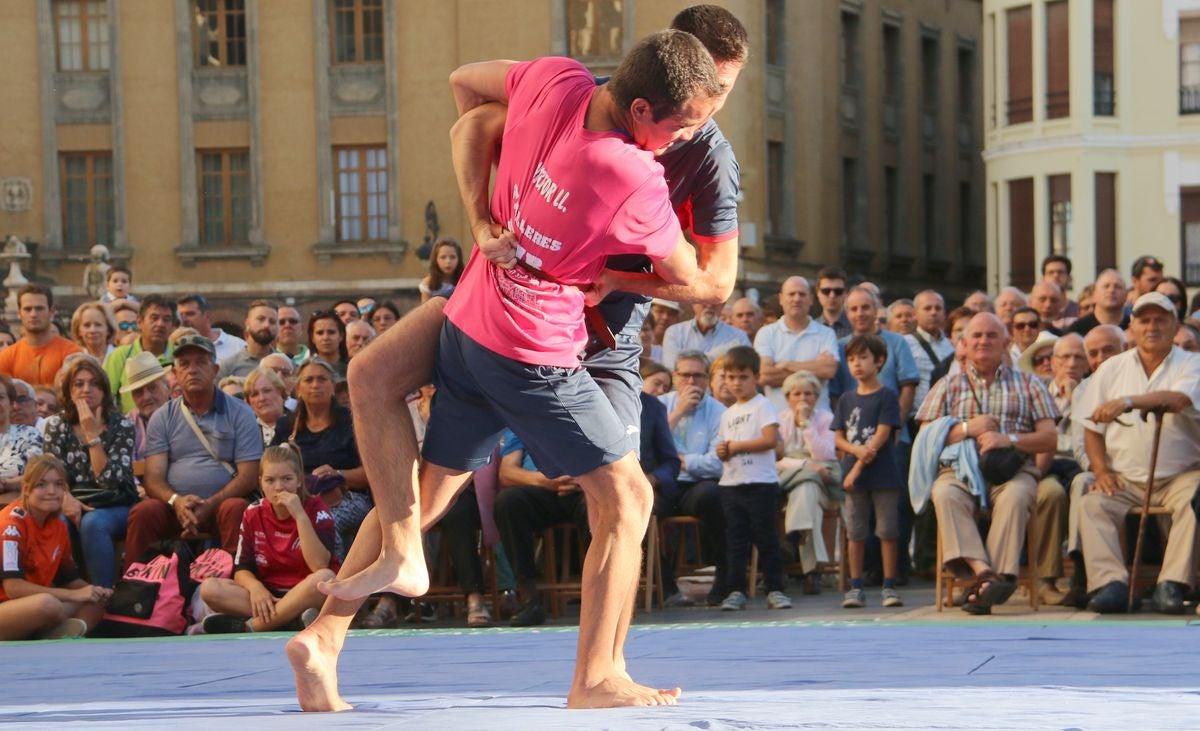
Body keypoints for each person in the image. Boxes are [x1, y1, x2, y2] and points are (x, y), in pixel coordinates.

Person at [291, 8, 748, 712]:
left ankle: (327, 636)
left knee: (430, 486)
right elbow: (701, 277)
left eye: (723, 92)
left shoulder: (573, 89)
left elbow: (469, 113)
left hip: (549, 321)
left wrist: (544, 239)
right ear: (663, 76)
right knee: (626, 496)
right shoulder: (630, 160)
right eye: (706, 93)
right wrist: (488, 218)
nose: (709, 112)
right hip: (536, 328)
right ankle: (596, 676)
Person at [912, 313, 1058, 615]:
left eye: (992, 335)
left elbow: (1049, 439)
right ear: (962, 344)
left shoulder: (1030, 383)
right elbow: (925, 437)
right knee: (945, 493)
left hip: (1011, 471)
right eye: (976, 336)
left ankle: (990, 581)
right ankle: (987, 576)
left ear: (1006, 342)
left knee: (1017, 496)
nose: (984, 341)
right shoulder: (947, 385)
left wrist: (1010, 440)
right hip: (959, 470)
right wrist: (968, 429)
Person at [1075, 292, 1200, 614]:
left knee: (1194, 498)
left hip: (1180, 475)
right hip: (1126, 479)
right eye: (1145, 320)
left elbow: (1178, 400)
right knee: (1092, 502)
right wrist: (1101, 470)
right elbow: (1091, 428)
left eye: (1161, 320)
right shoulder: (1111, 368)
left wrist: (1128, 402)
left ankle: (1172, 584)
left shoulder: (1192, 363)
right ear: (1132, 328)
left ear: (1175, 327)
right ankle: (1111, 583)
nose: (1152, 326)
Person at [122, 334, 262, 566]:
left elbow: (248, 476)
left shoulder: (241, 413)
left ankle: (233, 584)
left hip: (221, 507)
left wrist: (210, 505)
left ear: (215, 369)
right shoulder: (163, 417)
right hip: (175, 508)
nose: (192, 370)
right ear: (175, 374)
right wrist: (176, 501)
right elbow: (153, 478)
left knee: (237, 508)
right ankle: (135, 588)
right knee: (143, 512)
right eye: (184, 364)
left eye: (201, 362)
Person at [200, 443, 338, 633]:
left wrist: (299, 515)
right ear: (261, 483)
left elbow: (319, 565)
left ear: (299, 480)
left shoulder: (316, 508)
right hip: (268, 595)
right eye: (270, 480)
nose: (279, 487)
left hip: (306, 592)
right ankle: (290, 620)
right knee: (209, 588)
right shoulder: (253, 512)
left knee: (325, 579)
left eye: (287, 479)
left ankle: (252, 626)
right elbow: (242, 570)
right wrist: (256, 587)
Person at [41, 359, 136, 589]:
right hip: (70, 501)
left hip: (115, 504)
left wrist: (92, 436)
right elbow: (50, 475)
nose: (86, 390)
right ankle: (66, 594)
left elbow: (110, 482)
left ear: (104, 390)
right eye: (79, 384)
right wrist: (66, 499)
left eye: (94, 383)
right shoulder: (57, 425)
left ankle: (101, 595)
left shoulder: (121, 425)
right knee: (59, 520)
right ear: (69, 391)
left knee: (93, 522)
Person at [0, 455, 112, 640]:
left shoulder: (58, 526)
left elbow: (68, 579)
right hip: (10, 606)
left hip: (34, 606)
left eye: (59, 484)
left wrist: (96, 591)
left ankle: (56, 634)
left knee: (96, 603)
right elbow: (13, 588)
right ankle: (49, 633)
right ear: (26, 489)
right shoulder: (11, 525)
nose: (52, 491)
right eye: (41, 485)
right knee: (47, 605)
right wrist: (74, 595)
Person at [713, 346, 790, 611]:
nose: (736, 383)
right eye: (730, 377)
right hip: (732, 484)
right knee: (735, 540)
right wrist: (723, 450)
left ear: (755, 376)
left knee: (765, 537)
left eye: (743, 377)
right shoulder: (726, 413)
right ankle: (735, 590)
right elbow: (724, 446)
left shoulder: (763, 405)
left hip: (760, 483)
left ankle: (775, 589)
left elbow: (770, 440)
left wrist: (734, 447)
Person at [834, 334, 904, 609]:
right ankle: (855, 586)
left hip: (882, 473)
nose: (857, 364)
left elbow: (882, 435)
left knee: (887, 530)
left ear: (879, 361)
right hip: (854, 471)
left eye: (863, 358)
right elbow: (838, 437)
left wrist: (859, 463)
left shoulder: (887, 396)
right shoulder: (846, 399)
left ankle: (889, 584)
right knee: (856, 531)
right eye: (851, 359)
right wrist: (855, 452)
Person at [659, 350, 728, 605]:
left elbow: (716, 463)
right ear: (674, 377)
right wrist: (678, 412)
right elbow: (648, 449)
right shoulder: (659, 405)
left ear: (707, 379)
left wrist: (680, 460)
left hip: (698, 485)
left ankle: (723, 580)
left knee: (714, 497)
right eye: (685, 375)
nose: (691, 382)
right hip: (664, 482)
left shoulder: (719, 411)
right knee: (640, 510)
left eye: (697, 376)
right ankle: (665, 586)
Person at [775, 370, 840, 592]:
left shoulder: (826, 419)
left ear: (817, 396)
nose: (803, 399)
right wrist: (806, 466)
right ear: (787, 398)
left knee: (808, 488)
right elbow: (777, 459)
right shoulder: (779, 420)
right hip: (789, 483)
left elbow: (825, 455)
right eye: (797, 394)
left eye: (809, 394)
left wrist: (805, 425)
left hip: (823, 485)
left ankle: (793, 540)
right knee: (807, 486)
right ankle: (813, 572)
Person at [280, 359, 368, 495]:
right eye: (309, 380)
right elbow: (271, 468)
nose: (315, 385)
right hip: (297, 497)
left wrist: (338, 475)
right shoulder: (286, 425)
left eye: (322, 379)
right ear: (298, 389)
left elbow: (371, 472)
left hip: (345, 496)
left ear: (333, 386)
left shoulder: (353, 421)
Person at [754, 276, 839, 414]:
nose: (797, 299)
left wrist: (786, 365)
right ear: (781, 299)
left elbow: (828, 370)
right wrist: (814, 371)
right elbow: (765, 375)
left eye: (802, 294)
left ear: (811, 299)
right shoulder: (766, 334)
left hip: (819, 425)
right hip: (778, 423)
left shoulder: (826, 334)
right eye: (791, 294)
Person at [0, 285, 82, 387]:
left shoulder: (72, 353)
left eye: (39, 308)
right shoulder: (6, 357)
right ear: (19, 313)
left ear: (51, 312)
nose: (33, 314)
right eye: (28, 309)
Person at [104, 295, 175, 413]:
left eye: (167, 319)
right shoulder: (120, 356)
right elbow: (105, 399)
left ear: (173, 325)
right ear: (139, 321)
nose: (160, 324)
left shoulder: (180, 357)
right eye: (154, 318)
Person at [662, 302, 750, 369]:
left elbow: (744, 370)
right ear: (693, 302)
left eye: (715, 301)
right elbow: (671, 367)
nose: (709, 305)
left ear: (723, 305)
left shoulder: (739, 337)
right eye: (704, 300)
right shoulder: (675, 332)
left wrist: (689, 363)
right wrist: (718, 355)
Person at [119, 351, 172, 463]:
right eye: (138, 392)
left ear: (167, 387)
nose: (146, 397)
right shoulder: (127, 425)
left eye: (152, 388)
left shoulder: (184, 416)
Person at [0, 375, 44, 506]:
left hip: (14, 506)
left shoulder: (29, 434)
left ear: (11, 403)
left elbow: (38, 474)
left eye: (0, 398)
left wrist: (7, 484)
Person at [219, 300, 280, 379]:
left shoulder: (285, 365)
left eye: (272, 321)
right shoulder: (228, 367)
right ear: (247, 323)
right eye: (261, 319)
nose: (266, 325)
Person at [176, 294, 246, 362]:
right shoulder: (173, 347)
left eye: (190, 314)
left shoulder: (237, 346)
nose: (183, 320)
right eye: (180, 315)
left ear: (207, 316)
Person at [1068, 269, 1129, 336]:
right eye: (1106, 286)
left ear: (1126, 295)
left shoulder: (1133, 326)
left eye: (1117, 287)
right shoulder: (1076, 330)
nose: (1111, 290)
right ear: (1094, 294)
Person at [244, 367, 290, 446]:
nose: (262, 398)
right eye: (255, 394)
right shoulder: (244, 431)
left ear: (281, 392)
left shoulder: (299, 424)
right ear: (249, 402)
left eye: (267, 391)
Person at [419, 238, 464, 302]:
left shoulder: (465, 281)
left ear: (459, 259)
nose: (448, 261)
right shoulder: (428, 283)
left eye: (452, 257)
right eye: (443, 257)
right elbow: (425, 308)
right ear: (435, 259)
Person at [307, 311, 348, 379]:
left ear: (341, 336)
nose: (325, 337)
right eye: (320, 333)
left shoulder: (353, 368)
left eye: (331, 332)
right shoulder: (305, 371)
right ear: (312, 338)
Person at [814, 266, 852, 338]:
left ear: (846, 292)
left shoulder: (856, 327)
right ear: (817, 292)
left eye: (838, 291)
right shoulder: (810, 329)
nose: (832, 295)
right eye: (826, 291)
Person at [1041, 255, 1078, 319]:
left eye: (1060, 272)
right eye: (1051, 272)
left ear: (1070, 279)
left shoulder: (1079, 310)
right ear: (1042, 279)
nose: (1056, 275)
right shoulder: (1036, 311)